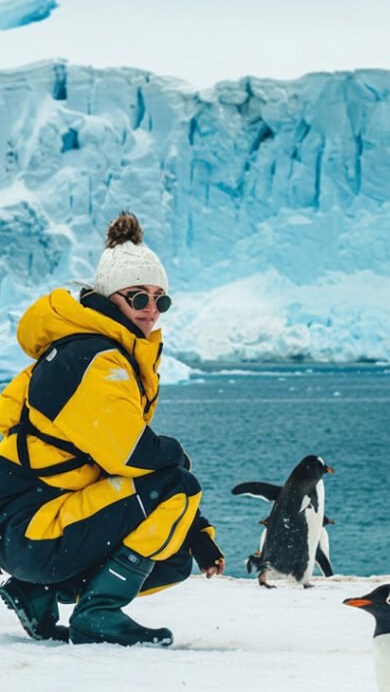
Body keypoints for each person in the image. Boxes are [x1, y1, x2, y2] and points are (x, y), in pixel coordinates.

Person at [0, 212, 224, 646]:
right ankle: (97, 614)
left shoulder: (75, 349)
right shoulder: (94, 359)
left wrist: (197, 533)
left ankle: (35, 592)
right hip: (34, 531)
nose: (152, 311)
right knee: (176, 484)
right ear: (107, 298)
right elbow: (131, 457)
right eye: (138, 298)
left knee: (174, 555)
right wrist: (178, 455)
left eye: (162, 300)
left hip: (23, 529)